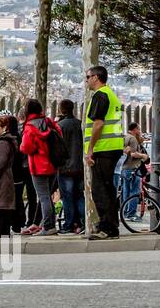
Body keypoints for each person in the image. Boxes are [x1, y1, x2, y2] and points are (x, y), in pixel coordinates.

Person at [84, 65, 125, 240]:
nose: (86, 81)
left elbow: (98, 124)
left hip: (103, 148)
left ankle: (106, 227)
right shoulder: (111, 94)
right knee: (108, 188)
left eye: (87, 77)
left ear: (95, 78)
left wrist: (90, 150)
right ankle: (112, 227)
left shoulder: (100, 95)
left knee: (100, 190)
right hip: (113, 147)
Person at [19, 99, 61, 236]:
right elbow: (59, 134)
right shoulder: (49, 122)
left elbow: (26, 147)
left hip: (38, 166)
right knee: (47, 196)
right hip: (53, 163)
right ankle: (46, 224)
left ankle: (48, 226)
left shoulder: (30, 127)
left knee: (43, 197)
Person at [56, 100, 85, 234]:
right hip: (80, 166)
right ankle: (83, 222)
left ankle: (69, 224)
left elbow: (56, 148)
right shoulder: (80, 125)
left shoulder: (60, 126)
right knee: (79, 195)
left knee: (67, 197)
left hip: (65, 167)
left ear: (61, 110)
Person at [121, 122, 150, 220]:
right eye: (138, 129)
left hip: (125, 168)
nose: (139, 131)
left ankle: (124, 212)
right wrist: (143, 156)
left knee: (125, 191)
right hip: (133, 168)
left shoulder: (125, 137)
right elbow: (133, 154)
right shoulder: (132, 139)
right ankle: (131, 214)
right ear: (135, 129)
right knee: (135, 191)